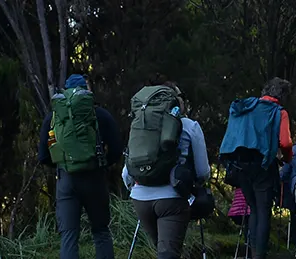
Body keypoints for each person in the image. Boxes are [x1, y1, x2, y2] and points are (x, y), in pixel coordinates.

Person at [38, 74, 123, 259]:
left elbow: (43, 156)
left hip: (66, 181)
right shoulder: (100, 114)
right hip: (95, 178)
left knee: (69, 236)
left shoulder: (54, 117)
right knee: (101, 232)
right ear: (86, 90)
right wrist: (103, 163)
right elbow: (117, 149)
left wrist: (64, 164)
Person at [121, 82, 209, 259]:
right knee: (168, 254)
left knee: (164, 251)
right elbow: (203, 172)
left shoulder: (141, 125)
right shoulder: (190, 126)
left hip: (140, 198)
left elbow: (126, 174)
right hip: (172, 199)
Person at [218, 77, 294, 259]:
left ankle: (252, 253)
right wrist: (288, 159)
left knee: (253, 207)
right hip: (263, 166)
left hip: (240, 165)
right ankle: (259, 254)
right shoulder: (279, 112)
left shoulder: (247, 107)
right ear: (283, 96)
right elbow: (285, 142)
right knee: (262, 210)